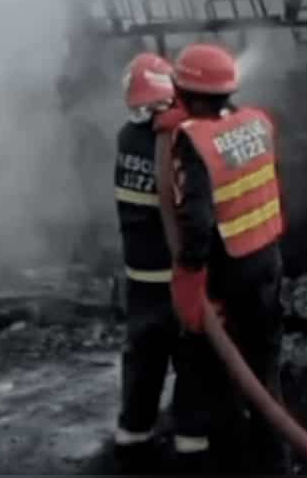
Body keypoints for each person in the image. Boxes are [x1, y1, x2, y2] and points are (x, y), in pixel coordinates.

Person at [164, 43, 291, 474]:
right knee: (265, 371)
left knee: (221, 374)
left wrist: (189, 279)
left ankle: (232, 463)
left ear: (186, 94)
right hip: (268, 259)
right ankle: (276, 463)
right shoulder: (257, 122)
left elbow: (196, 223)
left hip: (229, 272)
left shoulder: (193, 142)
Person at [112, 52, 186, 455]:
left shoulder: (126, 136)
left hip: (139, 275)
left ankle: (133, 430)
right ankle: (193, 438)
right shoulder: (175, 140)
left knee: (143, 355)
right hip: (176, 275)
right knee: (192, 356)